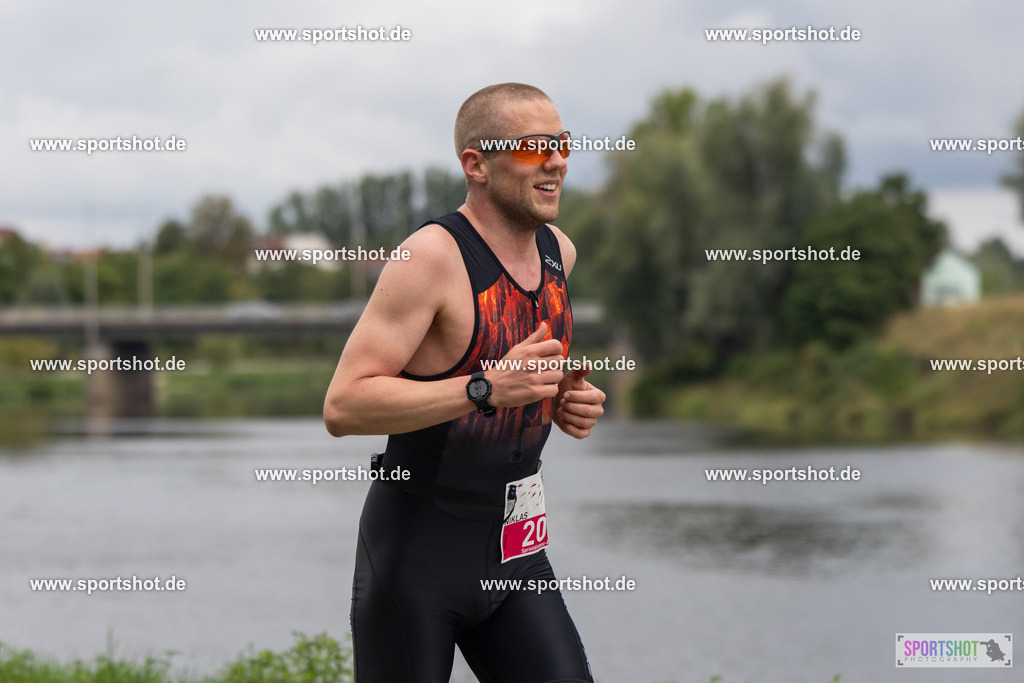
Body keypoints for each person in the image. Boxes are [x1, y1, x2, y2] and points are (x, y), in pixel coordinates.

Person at [324, 82, 605, 683]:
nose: (555, 161)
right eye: (533, 147)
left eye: (561, 143)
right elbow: (344, 405)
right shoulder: (429, 258)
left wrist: (562, 399)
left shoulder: (560, 253)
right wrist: (482, 390)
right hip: (418, 553)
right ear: (475, 165)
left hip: (514, 549)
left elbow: (517, 376)